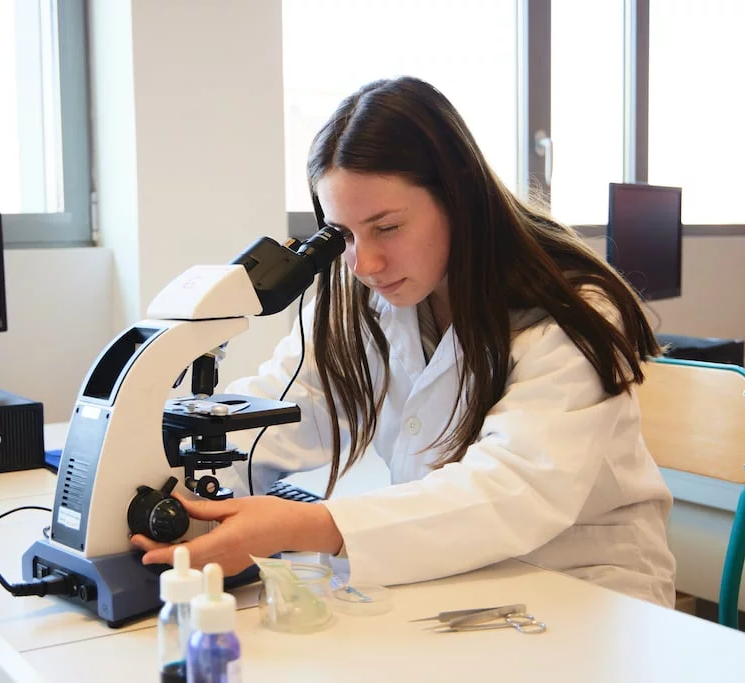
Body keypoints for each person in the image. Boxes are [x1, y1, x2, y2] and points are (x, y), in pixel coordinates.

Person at [131, 76, 676, 607]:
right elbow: (284, 411)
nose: (364, 263)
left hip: (583, 593)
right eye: (344, 235)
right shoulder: (362, 295)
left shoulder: (569, 313)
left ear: (457, 197)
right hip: (448, 579)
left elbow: (514, 488)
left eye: (387, 227)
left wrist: (309, 524)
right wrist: (169, 482)